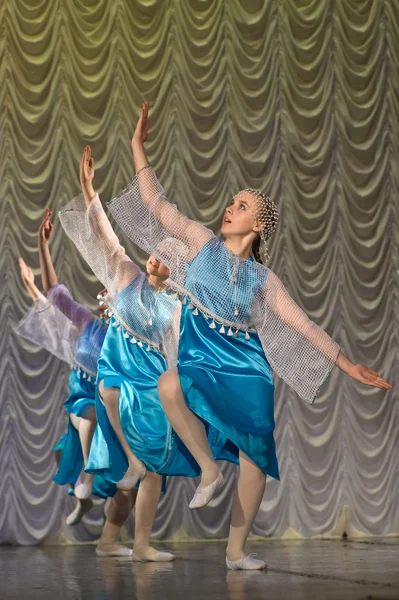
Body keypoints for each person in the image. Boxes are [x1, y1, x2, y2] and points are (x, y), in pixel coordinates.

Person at [106, 101, 392, 570]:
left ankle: (236, 552)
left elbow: (305, 326)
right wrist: (138, 146)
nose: (230, 207)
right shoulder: (200, 242)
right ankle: (208, 469)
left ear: (257, 225)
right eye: (232, 201)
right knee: (169, 385)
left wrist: (348, 365)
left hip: (248, 368)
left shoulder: (264, 280)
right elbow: (157, 206)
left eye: (241, 206)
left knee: (256, 460)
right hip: (203, 357)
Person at [58, 146, 184, 562]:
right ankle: (126, 465)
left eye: (165, 257)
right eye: (155, 250)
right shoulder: (126, 274)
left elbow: (177, 356)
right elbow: (105, 237)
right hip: (118, 383)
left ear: (174, 269)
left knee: (149, 475)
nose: (154, 257)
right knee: (111, 400)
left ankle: (135, 543)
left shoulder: (174, 308)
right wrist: (88, 188)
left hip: (150, 393)